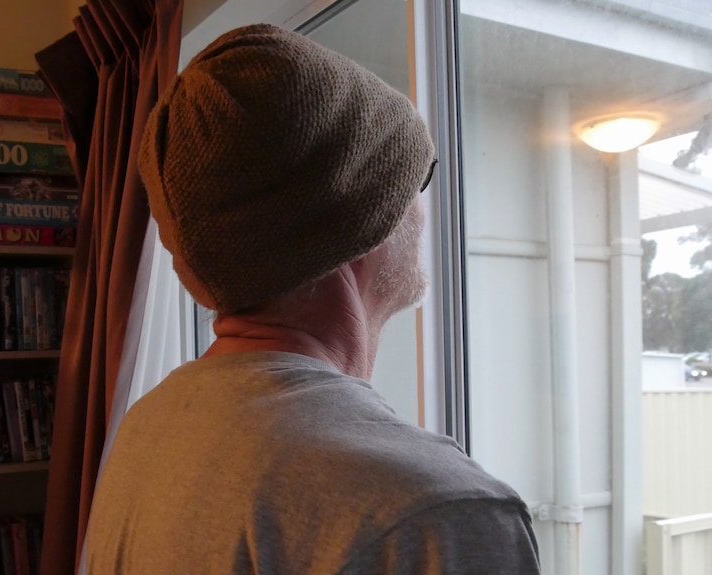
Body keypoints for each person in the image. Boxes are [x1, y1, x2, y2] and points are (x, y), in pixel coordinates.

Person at [85, 24, 540, 574]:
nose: (424, 211)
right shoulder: (431, 511)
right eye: (414, 180)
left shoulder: (150, 430)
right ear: (359, 219)